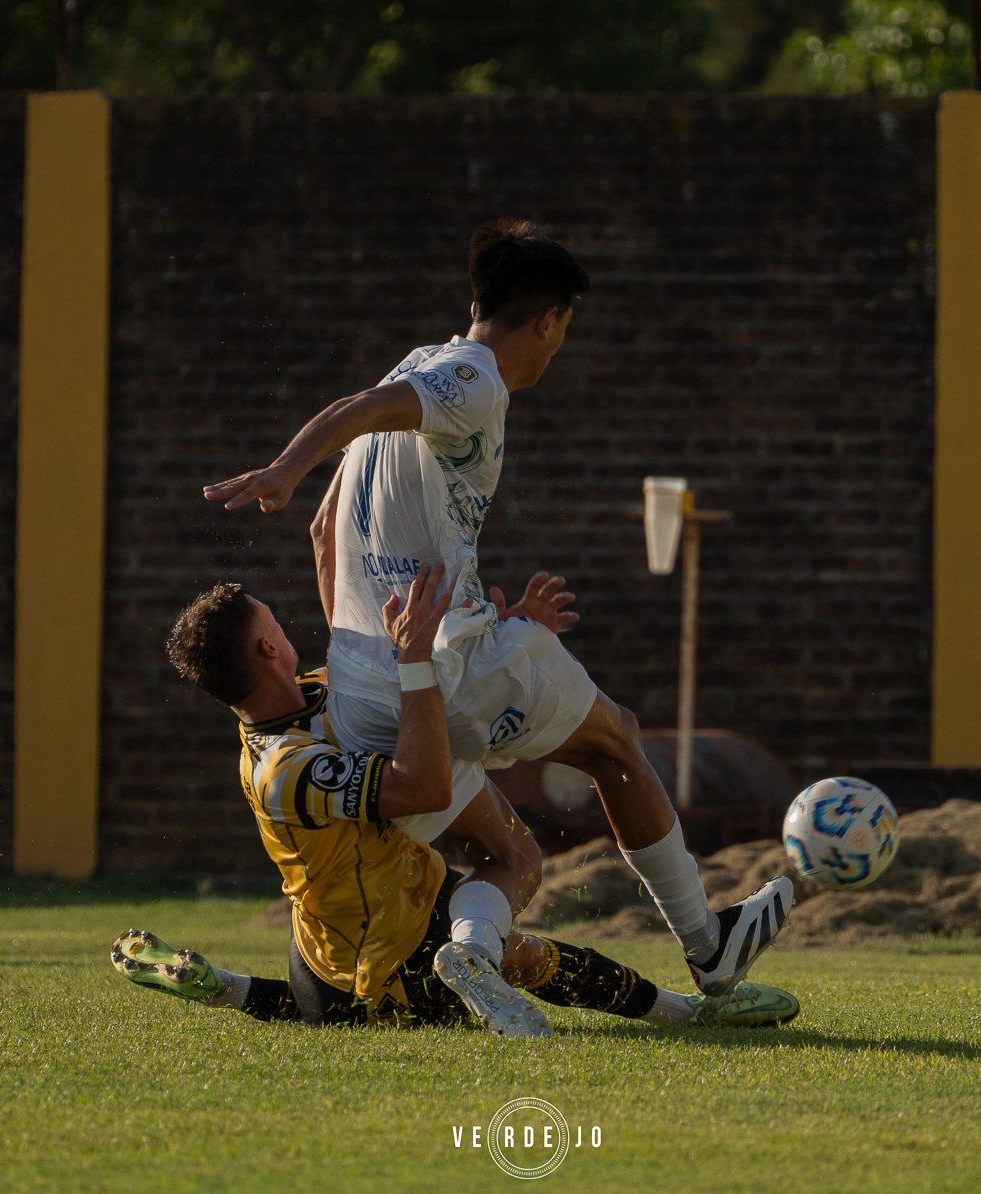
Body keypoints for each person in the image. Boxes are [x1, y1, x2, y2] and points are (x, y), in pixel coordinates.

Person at [201, 218, 791, 996]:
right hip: (454, 668)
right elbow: (359, 407)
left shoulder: (417, 367)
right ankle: (707, 945)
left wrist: (373, 660)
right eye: (564, 330)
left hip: (360, 702)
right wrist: (285, 466)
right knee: (617, 742)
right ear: (549, 320)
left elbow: (322, 530)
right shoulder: (474, 380)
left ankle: (472, 950)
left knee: (505, 854)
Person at [115, 565, 800, 1036]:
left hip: (326, 952)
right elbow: (424, 786)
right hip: (389, 955)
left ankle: (225, 985)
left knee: (342, 1006)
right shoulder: (285, 771)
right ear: (270, 645)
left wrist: (516, 641)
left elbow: (426, 685)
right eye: (275, 621)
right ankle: (689, 1012)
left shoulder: (319, 695)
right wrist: (413, 657)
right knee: (520, 930)